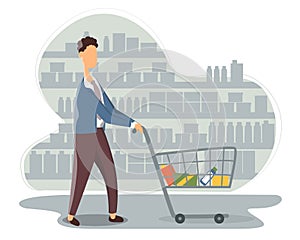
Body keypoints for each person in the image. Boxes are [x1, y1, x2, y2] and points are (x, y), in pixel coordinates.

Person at [67, 36, 143, 226]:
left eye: (96, 53)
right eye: (91, 53)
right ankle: (70, 215)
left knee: (110, 172)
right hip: (85, 137)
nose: (95, 57)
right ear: (81, 55)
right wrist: (131, 124)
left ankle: (112, 213)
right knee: (81, 176)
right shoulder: (84, 89)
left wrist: (131, 121)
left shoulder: (94, 83)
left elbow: (111, 109)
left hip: (98, 134)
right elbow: (106, 115)